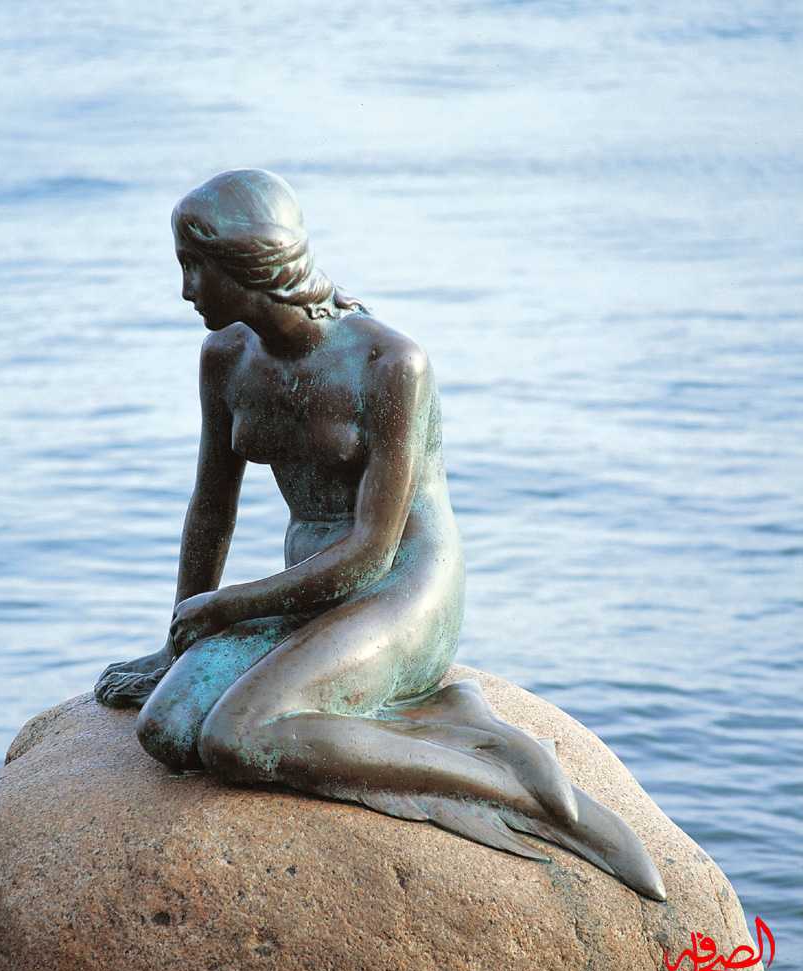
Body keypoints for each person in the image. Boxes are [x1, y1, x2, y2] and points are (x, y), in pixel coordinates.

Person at [94, 169, 665, 901]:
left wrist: (228, 606)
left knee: (236, 736)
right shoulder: (227, 358)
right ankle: (414, 716)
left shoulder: (389, 364)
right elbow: (211, 507)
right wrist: (179, 636)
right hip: (307, 588)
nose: (185, 291)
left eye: (195, 267)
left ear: (250, 264)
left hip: (401, 584)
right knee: (168, 730)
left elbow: (370, 553)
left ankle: (505, 778)